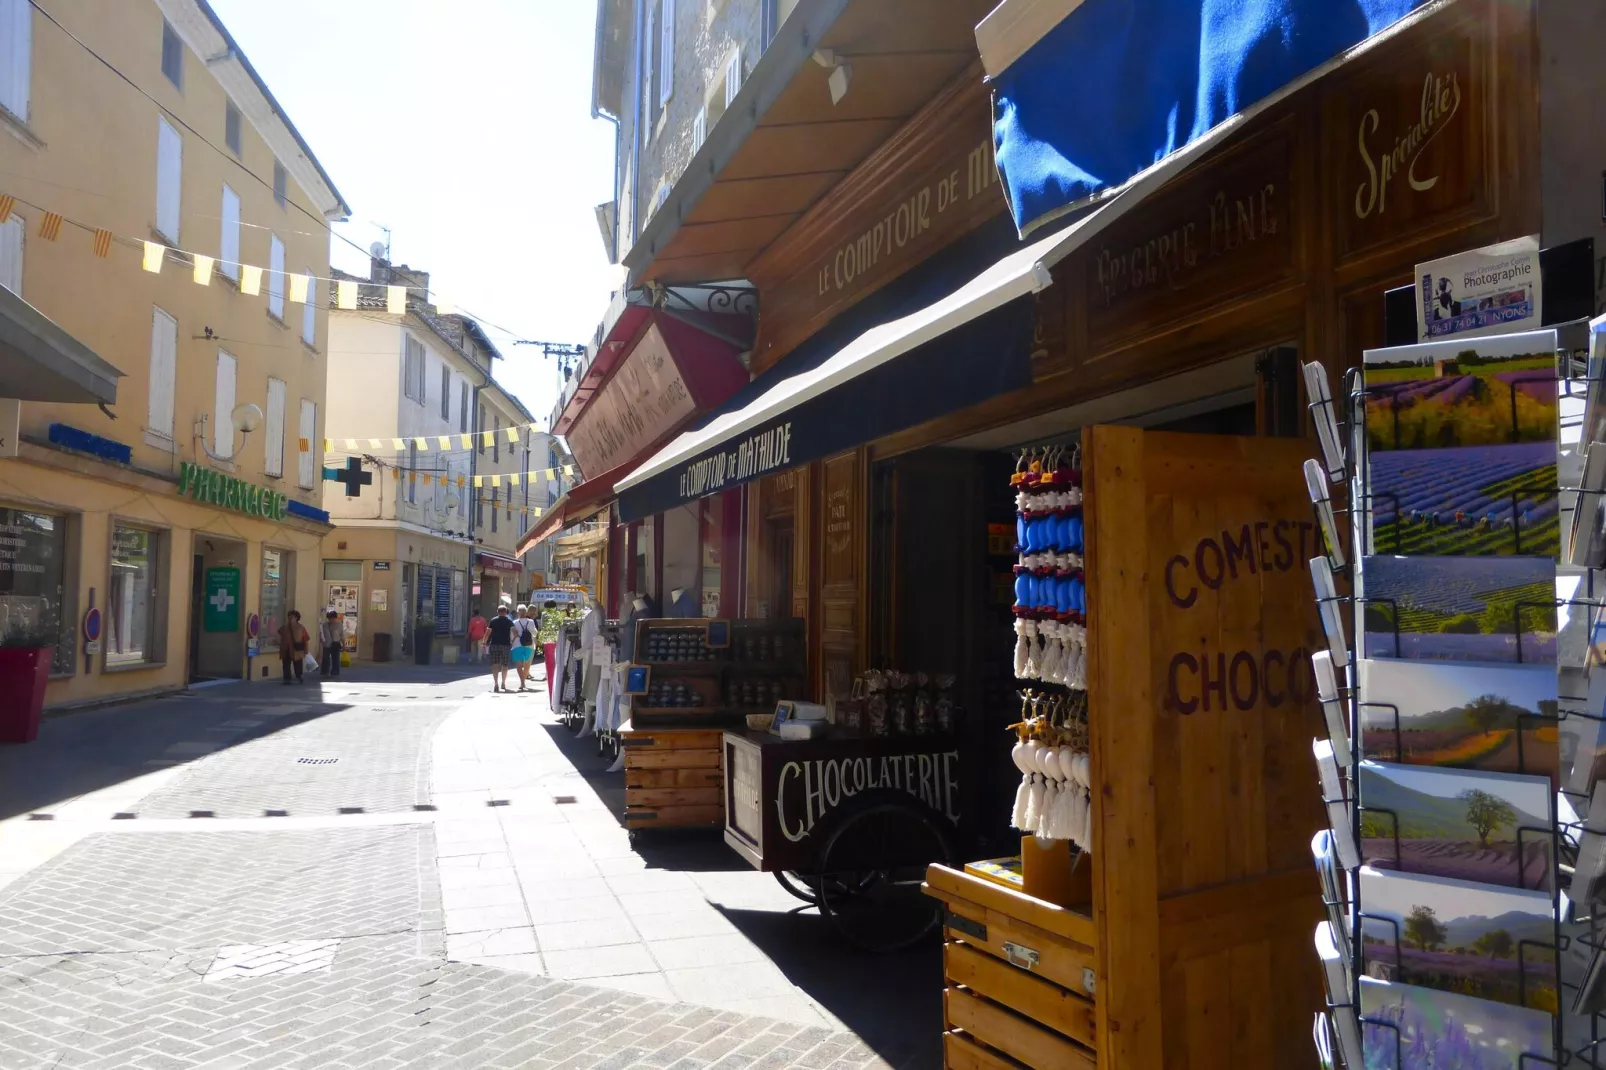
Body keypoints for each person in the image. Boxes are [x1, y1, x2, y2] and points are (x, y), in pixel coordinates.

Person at [485, 605, 515, 692]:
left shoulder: (493, 620)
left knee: (495, 664)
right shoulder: (509, 621)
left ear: (498, 611)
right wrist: (512, 641)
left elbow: (488, 632)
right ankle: (503, 683)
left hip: (494, 644)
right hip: (505, 645)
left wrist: (484, 642)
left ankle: (496, 683)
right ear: (506, 612)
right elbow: (515, 633)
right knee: (504, 665)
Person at [277, 610, 311, 685]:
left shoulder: (301, 628)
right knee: (286, 664)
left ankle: (299, 676)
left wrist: (306, 651)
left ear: (296, 618)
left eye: (291, 617)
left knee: (298, 664)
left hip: (296, 649)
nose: (289, 618)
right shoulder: (284, 627)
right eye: (289, 616)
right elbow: (279, 635)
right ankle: (287, 679)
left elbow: (305, 639)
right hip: (286, 649)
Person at [509, 604, 538, 692]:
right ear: (526, 612)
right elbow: (535, 633)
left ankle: (522, 682)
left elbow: (511, 635)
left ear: (518, 612)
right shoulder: (531, 622)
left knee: (518, 665)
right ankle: (524, 681)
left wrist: (511, 642)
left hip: (517, 645)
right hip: (529, 646)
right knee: (527, 666)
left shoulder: (514, 622)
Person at [319, 610, 343, 677]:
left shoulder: (339, 624)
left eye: (332, 618)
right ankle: (325, 671)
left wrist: (343, 645)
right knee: (325, 658)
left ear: (335, 617)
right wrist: (321, 640)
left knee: (335, 658)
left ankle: (335, 671)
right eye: (329, 618)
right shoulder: (325, 625)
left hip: (336, 643)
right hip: (327, 643)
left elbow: (342, 635)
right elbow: (321, 634)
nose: (330, 620)